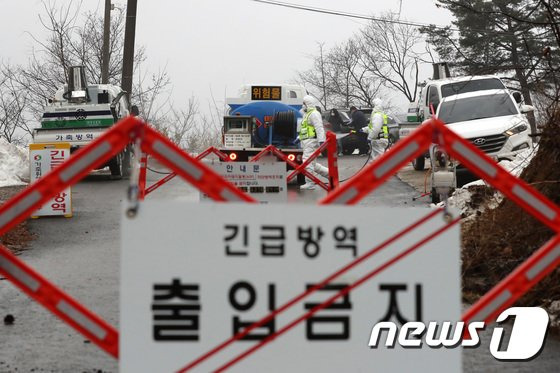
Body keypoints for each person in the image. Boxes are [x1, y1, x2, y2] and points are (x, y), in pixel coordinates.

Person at [299, 95, 329, 190]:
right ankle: (330, 174)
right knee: (312, 164)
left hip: (311, 141)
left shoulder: (314, 114)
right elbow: (305, 129)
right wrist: (298, 137)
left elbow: (319, 127)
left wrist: (321, 141)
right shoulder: (307, 114)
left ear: (308, 104)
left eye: (304, 103)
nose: (303, 105)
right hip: (307, 141)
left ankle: (310, 183)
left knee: (307, 161)